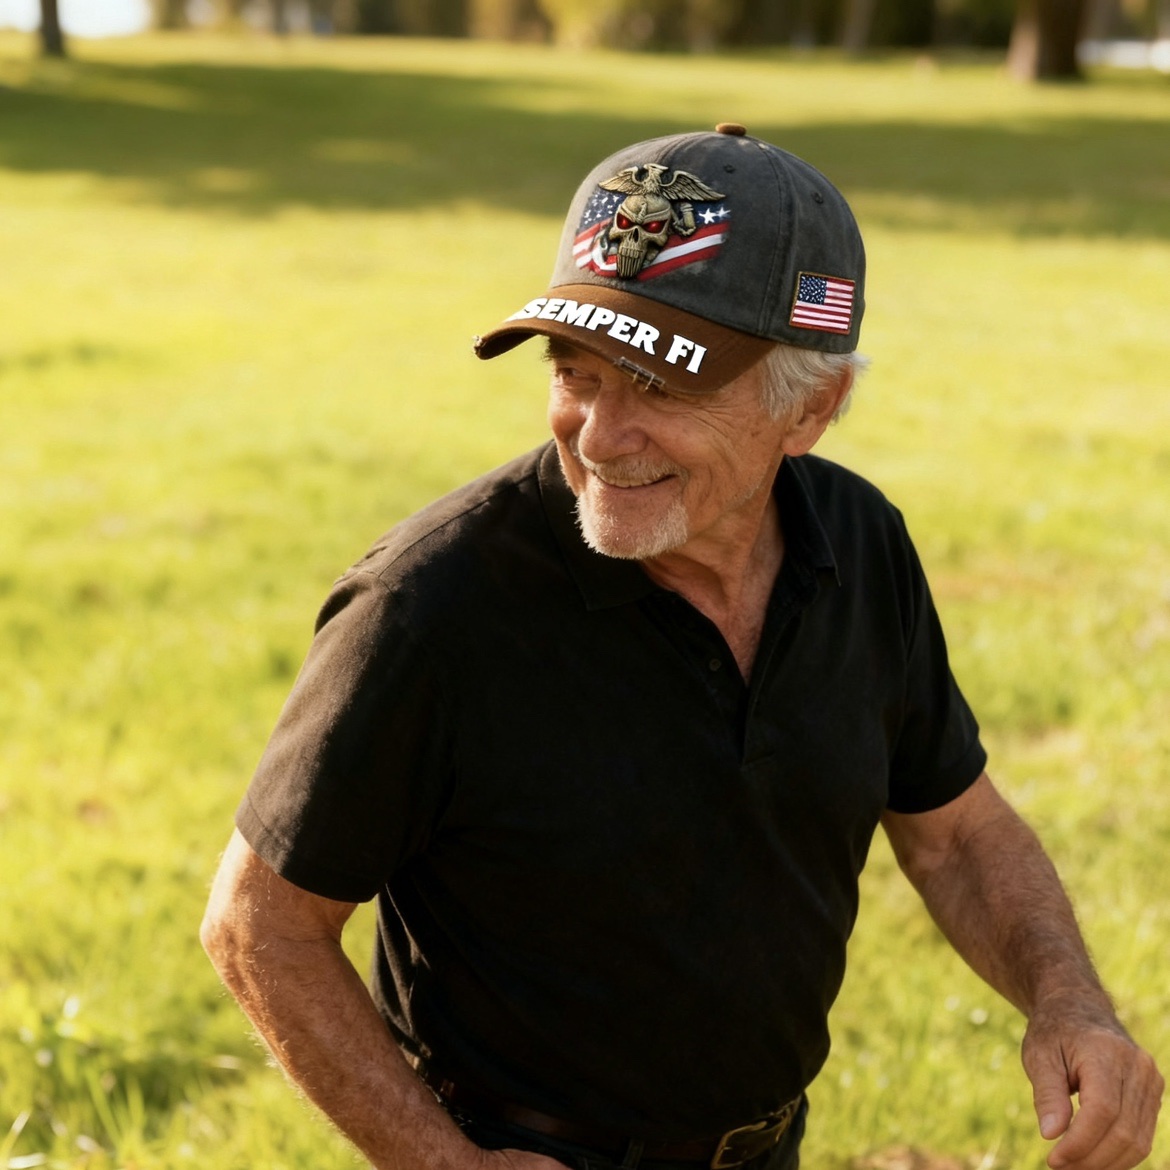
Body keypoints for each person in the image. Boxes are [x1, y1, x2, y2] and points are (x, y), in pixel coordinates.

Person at [200, 124, 1162, 1170]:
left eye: (662, 386)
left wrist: (1071, 1003)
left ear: (815, 408)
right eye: (577, 371)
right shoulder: (432, 607)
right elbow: (259, 927)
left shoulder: (859, 543)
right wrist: (447, 1166)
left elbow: (956, 833)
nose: (601, 436)